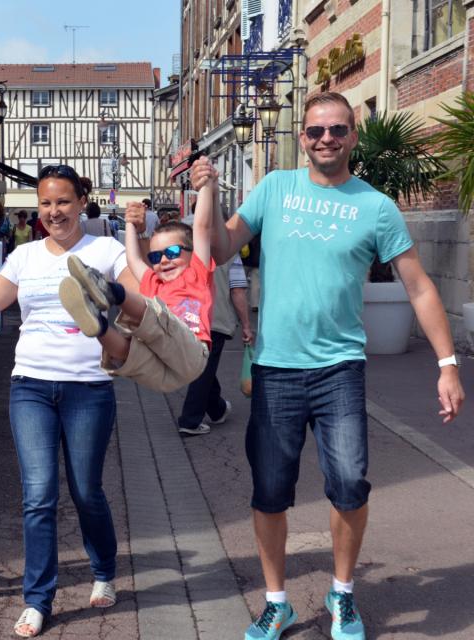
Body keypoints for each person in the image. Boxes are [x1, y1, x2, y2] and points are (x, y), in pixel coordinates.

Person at [190, 91, 465, 640]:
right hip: (275, 368)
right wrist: (211, 193)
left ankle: (342, 595)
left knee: (349, 485)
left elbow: (418, 286)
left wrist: (448, 363)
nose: (325, 140)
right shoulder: (274, 189)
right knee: (269, 491)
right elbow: (220, 250)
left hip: (339, 368)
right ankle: (277, 602)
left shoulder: (375, 206)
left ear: (353, 137)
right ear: (303, 136)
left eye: (337, 130)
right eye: (316, 131)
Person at [0, 164, 138, 638]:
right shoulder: (25, 256)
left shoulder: (106, 250)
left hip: (89, 387)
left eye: (62, 202)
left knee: (86, 491)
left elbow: (139, 301)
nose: (53, 212)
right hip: (31, 385)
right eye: (45, 204)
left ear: (81, 201)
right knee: (38, 496)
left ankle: (103, 571)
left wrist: (135, 237)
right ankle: (37, 600)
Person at [58, 177, 215, 393]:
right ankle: (97, 323)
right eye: (156, 255)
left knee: (152, 313)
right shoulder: (155, 281)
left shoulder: (197, 272)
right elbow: (134, 259)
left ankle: (107, 289)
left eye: (172, 252)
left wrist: (205, 185)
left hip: (191, 353)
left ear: (191, 252)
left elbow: (203, 226)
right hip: (163, 370)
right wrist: (130, 223)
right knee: (126, 352)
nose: (163, 260)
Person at [177, 250, 253, 435]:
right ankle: (190, 420)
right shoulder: (228, 252)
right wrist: (246, 325)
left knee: (202, 366)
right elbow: (237, 290)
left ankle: (217, 409)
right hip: (213, 319)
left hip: (182, 316)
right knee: (204, 368)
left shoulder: (180, 246)